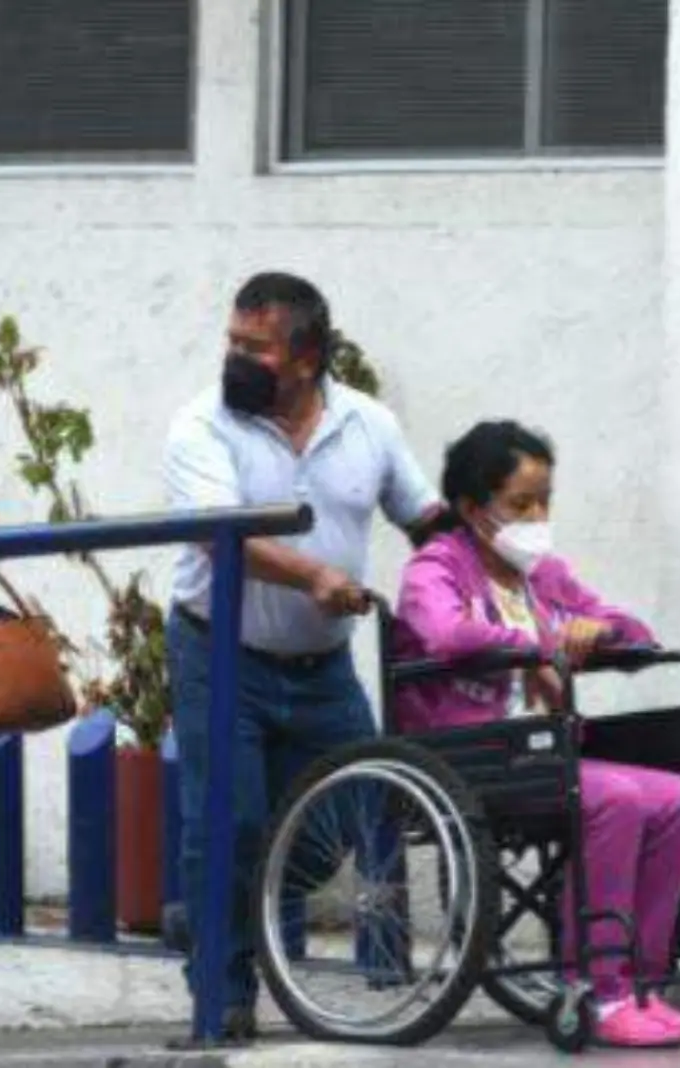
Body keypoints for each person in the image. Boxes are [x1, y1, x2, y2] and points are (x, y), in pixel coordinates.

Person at [161, 271, 442, 1042]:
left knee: (357, 808)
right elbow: (228, 538)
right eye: (232, 341)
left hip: (322, 666)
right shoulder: (201, 424)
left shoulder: (369, 424)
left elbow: (425, 516)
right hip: (221, 655)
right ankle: (222, 994)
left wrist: (494, 572)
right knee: (228, 823)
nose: (236, 358)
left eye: (256, 347)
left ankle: (207, 912)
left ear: (308, 355)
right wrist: (316, 572)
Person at [392, 420, 680, 1048]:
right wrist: (538, 646)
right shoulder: (436, 569)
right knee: (616, 797)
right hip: (472, 757)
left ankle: (638, 982)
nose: (537, 515)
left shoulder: (542, 575)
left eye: (545, 501)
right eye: (520, 503)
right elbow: (449, 635)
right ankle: (596, 987)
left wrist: (602, 633)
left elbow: (631, 626)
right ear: (472, 508)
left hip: (544, 752)